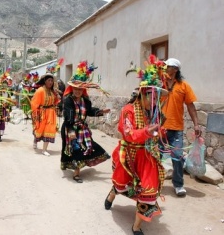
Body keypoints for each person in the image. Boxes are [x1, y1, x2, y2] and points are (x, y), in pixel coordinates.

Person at [105, 55, 168, 235]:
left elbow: (158, 133)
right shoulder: (128, 110)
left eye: (157, 97)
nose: (155, 101)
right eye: (152, 96)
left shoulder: (155, 114)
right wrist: (147, 132)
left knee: (149, 191)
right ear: (142, 94)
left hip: (148, 157)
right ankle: (112, 194)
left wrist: (160, 133)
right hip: (129, 156)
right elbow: (128, 134)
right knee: (122, 185)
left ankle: (136, 226)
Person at [60, 61, 111, 183]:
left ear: (83, 90)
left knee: (88, 147)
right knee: (75, 149)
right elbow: (69, 115)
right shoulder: (68, 101)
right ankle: (76, 174)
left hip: (82, 129)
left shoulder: (85, 101)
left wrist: (101, 111)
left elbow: (90, 111)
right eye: (76, 89)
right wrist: (71, 130)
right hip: (70, 128)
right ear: (72, 88)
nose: (78, 91)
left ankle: (77, 169)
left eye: (80, 89)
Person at [160, 58, 201, 197]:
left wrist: (196, 124)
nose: (165, 68)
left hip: (176, 128)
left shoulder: (184, 86)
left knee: (177, 157)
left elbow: (190, 106)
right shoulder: (159, 84)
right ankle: (153, 182)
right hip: (158, 128)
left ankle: (178, 184)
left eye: (168, 66)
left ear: (176, 69)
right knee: (155, 156)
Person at [31, 72, 60, 156]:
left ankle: (44, 150)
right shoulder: (40, 91)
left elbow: (55, 101)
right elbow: (34, 103)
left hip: (51, 113)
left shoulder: (53, 91)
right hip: (41, 112)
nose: (50, 82)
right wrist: (36, 114)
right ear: (45, 81)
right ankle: (35, 140)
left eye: (52, 80)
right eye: (49, 80)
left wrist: (57, 99)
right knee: (39, 129)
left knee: (49, 129)